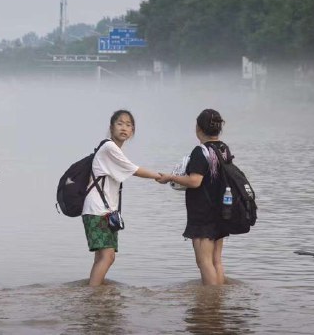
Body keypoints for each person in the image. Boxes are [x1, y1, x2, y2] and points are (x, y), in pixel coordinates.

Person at [83, 110, 164, 287]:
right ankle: (94, 295)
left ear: (132, 131)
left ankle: (93, 292)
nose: (124, 128)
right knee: (108, 256)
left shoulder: (114, 149)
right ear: (111, 127)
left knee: (101, 257)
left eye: (128, 125)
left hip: (102, 211)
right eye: (120, 123)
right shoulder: (109, 148)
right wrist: (160, 176)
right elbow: (134, 170)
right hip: (98, 210)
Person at [158, 109, 231, 285]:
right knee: (216, 261)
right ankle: (219, 303)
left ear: (198, 128)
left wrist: (170, 177)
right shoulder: (224, 149)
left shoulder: (201, 151)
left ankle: (210, 304)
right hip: (222, 210)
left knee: (204, 262)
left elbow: (195, 181)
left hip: (203, 214)